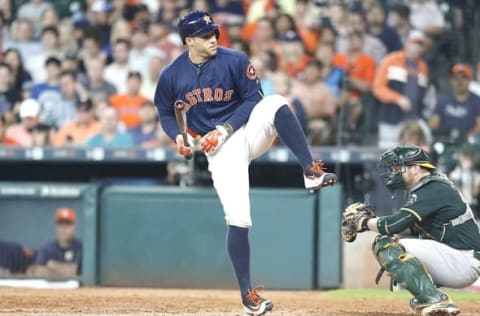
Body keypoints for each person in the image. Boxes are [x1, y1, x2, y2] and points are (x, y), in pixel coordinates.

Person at [154, 11, 336, 316]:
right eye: (205, 35)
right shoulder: (172, 74)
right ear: (188, 41)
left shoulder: (234, 60)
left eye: (214, 33)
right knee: (238, 219)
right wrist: (178, 137)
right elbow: (163, 111)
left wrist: (225, 129)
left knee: (276, 102)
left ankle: (309, 171)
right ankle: (247, 295)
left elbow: (253, 99)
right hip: (219, 152)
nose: (213, 38)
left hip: (243, 131)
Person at [341, 145, 480, 316]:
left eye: (398, 168)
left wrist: (363, 221)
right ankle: (429, 298)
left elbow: (392, 225)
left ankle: (434, 300)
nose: (393, 173)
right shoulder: (427, 187)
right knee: (391, 242)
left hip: (463, 261)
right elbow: (407, 230)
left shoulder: (432, 188)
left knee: (387, 244)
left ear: (415, 168)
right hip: (457, 257)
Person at [372, 29, 429, 149]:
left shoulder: (423, 66)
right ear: (406, 43)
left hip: (413, 119)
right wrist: (398, 98)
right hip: (391, 117)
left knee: (419, 150)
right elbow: (377, 88)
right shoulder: (391, 60)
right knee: (389, 154)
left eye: (420, 44)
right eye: (414, 43)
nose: (417, 47)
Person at [428, 63, 480, 142]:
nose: (459, 81)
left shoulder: (477, 101)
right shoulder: (443, 100)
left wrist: (468, 138)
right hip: (445, 141)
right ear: (451, 80)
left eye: (463, 78)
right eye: (456, 78)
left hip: (468, 142)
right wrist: (439, 136)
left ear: (469, 80)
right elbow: (433, 124)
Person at [29, 207, 82, 277]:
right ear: (56, 226)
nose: (64, 229)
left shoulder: (81, 247)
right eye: (61, 224)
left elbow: (74, 272)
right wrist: (64, 271)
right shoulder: (47, 248)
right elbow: (37, 271)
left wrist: (52, 264)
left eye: (68, 224)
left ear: (74, 226)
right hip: (50, 287)